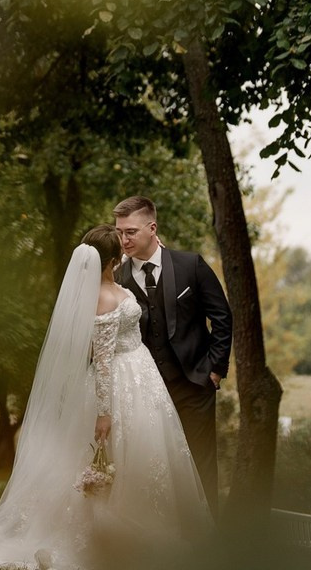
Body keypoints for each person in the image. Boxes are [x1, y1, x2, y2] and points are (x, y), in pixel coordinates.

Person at [0, 225, 209, 570]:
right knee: (113, 459)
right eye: (120, 249)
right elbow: (102, 362)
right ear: (112, 259)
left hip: (141, 376)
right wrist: (104, 413)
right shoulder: (104, 299)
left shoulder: (113, 288)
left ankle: (148, 530)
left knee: (148, 455)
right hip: (120, 382)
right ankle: (108, 537)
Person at [113, 195, 232, 517]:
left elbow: (221, 317)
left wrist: (215, 369)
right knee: (154, 464)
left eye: (131, 232)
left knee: (201, 461)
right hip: (145, 389)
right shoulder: (117, 278)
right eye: (120, 232)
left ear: (152, 228)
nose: (124, 239)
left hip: (194, 382)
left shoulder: (190, 265)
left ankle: (207, 541)